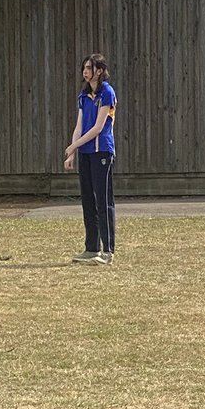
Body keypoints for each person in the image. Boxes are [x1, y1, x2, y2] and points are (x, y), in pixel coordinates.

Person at [64, 53, 117, 265]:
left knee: (103, 200)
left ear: (99, 71)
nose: (85, 71)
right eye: (84, 67)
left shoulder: (107, 93)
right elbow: (79, 126)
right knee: (87, 200)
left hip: (102, 151)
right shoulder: (83, 96)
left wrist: (73, 145)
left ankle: (108, 251)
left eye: (89, 67)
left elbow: (97, 127)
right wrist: (72, 152)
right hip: (85, 153)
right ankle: (91, 247)